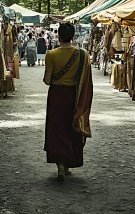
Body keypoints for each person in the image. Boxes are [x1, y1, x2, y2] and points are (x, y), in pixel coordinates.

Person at [43, 23, 93, 181]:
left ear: (58, 36)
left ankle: (60, 166)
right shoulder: (83, 54)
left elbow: (47, 81)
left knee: (56, 129)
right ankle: (68, 165)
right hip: (75, 96)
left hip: (57, 95)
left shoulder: (51, 54)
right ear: (73, 36)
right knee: (72, 127)